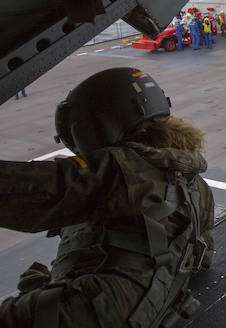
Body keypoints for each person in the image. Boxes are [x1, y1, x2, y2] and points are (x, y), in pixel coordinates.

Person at [0, 67, 215, 327]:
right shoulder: (188, 178)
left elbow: (23, 190)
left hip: (104, 310)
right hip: (154, 304)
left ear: (99, 127)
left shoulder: (119, 169)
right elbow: (204, 255)